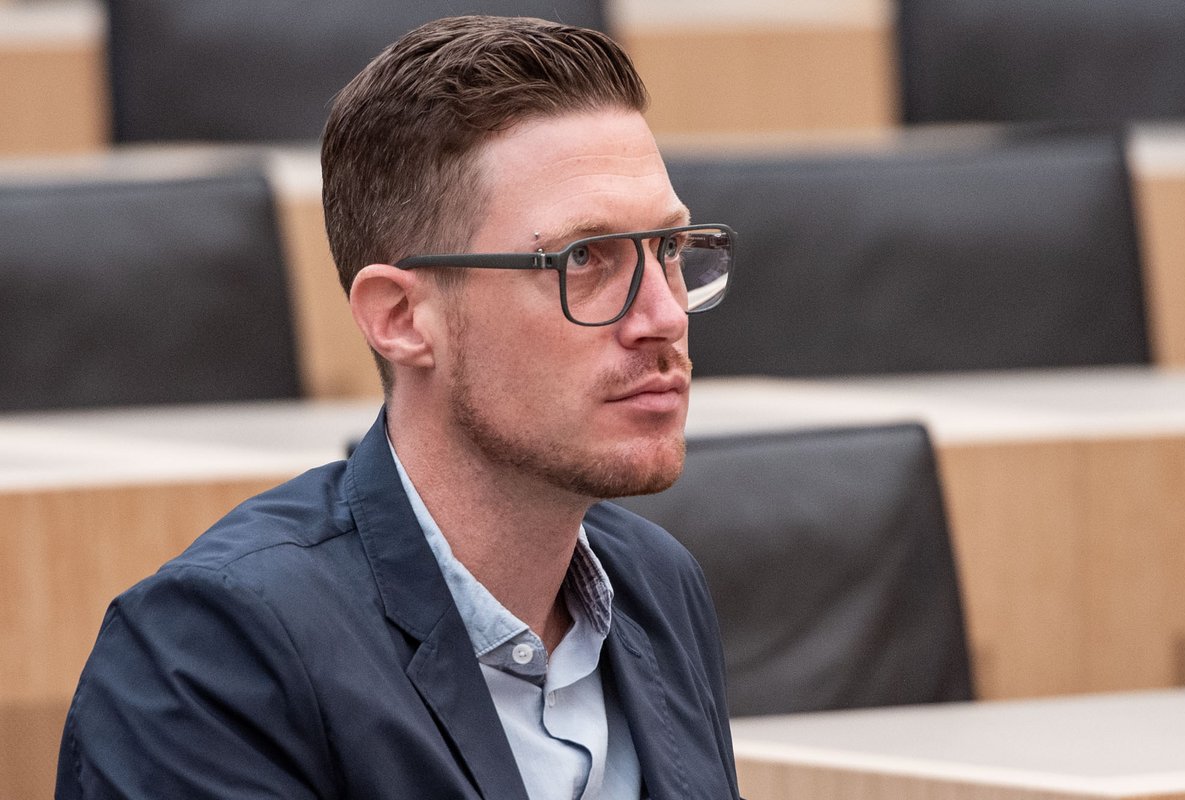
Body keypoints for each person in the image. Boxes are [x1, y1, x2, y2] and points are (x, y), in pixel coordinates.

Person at [57, 15, 741, 800]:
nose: (664, 315)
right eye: (584, 258)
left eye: (669, 249)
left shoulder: (657, 584)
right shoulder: (214, 654)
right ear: (401, 318)